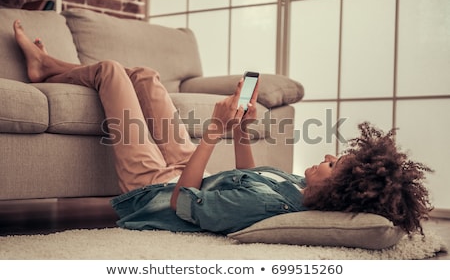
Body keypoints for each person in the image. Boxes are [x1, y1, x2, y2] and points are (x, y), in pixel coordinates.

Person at [13, 20, 433, 236]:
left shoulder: (269, 210)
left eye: (334, 163)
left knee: (110, 71)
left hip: (153, 190)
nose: (326, 156)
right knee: (144, 74)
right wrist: (240, 131)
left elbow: (181, 204)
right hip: (185, 172)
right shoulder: (298, 190)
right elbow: (248, 177)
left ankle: (46, 66)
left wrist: (212, 132)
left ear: (338, 191)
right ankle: (48, 65)